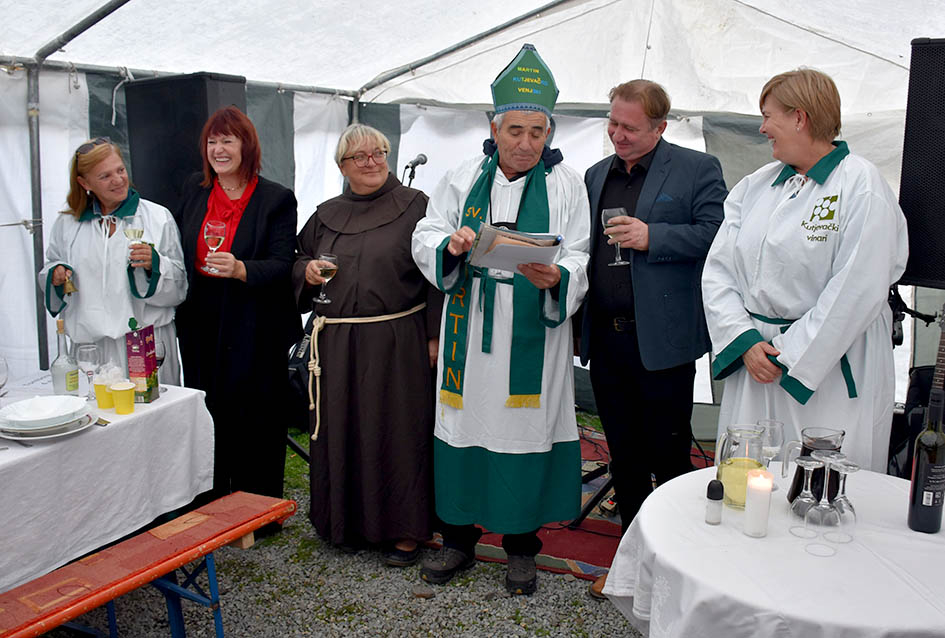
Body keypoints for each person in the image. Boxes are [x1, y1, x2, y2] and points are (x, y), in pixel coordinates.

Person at [411, 44, 590, 596]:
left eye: (537, 133)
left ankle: (520, 548)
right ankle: (459, 540)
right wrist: (453, 243)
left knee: (523, 430)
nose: (526, 144)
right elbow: (425, 233)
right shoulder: (464, 176)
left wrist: (560, 278)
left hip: (531, 328)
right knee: (464, 425)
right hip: (473, 322)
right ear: (495, 126)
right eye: (515, 131)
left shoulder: (567, 185)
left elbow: (579, 252)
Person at [701, 68, 908, 475]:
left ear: (800, 117)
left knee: (821, 481)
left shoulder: (860, 185)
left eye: (768, 116)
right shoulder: (755, 187)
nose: (762, 128)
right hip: (755, 358)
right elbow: (719, 271)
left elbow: (858, 287)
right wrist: (744, 341)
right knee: (749, 470)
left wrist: (788, 355)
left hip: (828, 365)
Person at [578, 80, 726, 598]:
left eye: (630, 128)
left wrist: (654, 236)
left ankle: (681, 568)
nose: (617, 135)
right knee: (623, 455)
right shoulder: (596, 175)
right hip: (608, 341)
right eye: (613, 124)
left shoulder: (695, 168)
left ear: (660, 127)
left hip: (663, 343)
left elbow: (718, 234)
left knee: (668, 455)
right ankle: (631, 564)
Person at [292, 123, 443, 566]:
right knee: (343, 428)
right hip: (337, 344)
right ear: (342, 166)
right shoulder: (325, 213)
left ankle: (403, 531)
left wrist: (434, 336)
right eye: (360, 156)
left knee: (396, 431)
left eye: (378, 152)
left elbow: (437, 274)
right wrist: (306, 271)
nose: (372, 162)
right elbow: (298, 258)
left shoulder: (416, 206)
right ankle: (346, 523)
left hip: (398, 341)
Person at [174, 106, 301, 503]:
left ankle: (255, 507)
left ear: (247, 145)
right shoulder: (194, 190)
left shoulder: (275, 199)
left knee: (256, 415)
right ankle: (212, 500)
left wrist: (243, 269)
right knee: (208, 410)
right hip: (202, 318)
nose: (218, 149)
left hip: (254, 322)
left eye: (227, 140)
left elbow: (284, 264)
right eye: (212, 141)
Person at [39, 137, 187, 384]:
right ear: (84, 182)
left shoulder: (157, 217)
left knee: (152, 419)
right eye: (105, 176)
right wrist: (55, 274)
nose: (118, 180)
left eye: (120, 170)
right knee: (100, 418)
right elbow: (50, 266)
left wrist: (155, 265)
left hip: (145, 344)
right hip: (90, 349)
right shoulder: (68, 224)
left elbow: (181, 284)